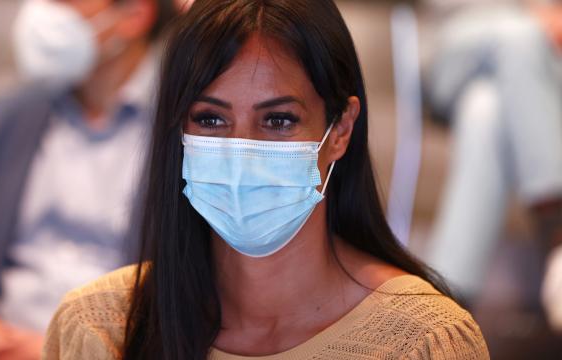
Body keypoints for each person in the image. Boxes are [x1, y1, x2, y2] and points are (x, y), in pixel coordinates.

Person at [43, 0, 490, 359]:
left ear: (341, 129)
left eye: (278, 120)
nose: (241, 151)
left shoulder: (425, 341)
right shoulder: (99, 329)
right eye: (211, 120)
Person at [0, 0, 176, 359]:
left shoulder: (190, 126)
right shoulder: (5, 117)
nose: (41, 12)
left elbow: (200, 283)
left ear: (133, 16)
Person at [423, 0, 562, 305]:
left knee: (485, 110)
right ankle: (555, 230)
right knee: (521, 35)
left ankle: (447, 301)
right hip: (459, 41)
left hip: (543, 64)